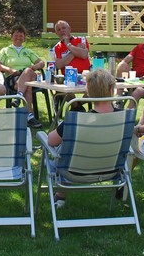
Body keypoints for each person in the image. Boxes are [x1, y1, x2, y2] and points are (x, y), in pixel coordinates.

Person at [44, 69, 117, 208]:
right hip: (111, 169)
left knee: (62, 151)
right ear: (111, 90)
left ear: (88, 92)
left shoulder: (76, 120)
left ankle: (61, 195)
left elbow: (51, 141)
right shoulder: (124, 119)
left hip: (75, 171)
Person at [0, 24, 45, 127]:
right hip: (13, 78)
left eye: (21, 35)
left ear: (24, 38)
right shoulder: (5, 50)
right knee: (28, 85)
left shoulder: (27, 51)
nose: (18, 37)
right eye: (16, 35)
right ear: (11, 37)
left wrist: (34, 67)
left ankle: (19, 97)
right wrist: (9, 70)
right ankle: (30, 116)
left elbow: (42, 63)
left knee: (28, 71)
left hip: (28, 75)